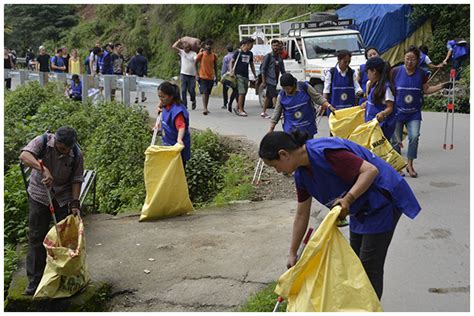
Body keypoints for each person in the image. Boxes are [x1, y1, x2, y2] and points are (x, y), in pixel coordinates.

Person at [258, 130, 421, 299]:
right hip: (360, 206)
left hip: (382, 199)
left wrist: (348, 198)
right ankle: (358, 306)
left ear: (283, 154)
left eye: (274, 166)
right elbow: (301, 214)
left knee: (368, 268)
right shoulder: (302, 174)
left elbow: (370, 171)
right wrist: (292, 252)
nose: (277, 171)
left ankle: (369, 308)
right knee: (354, 264)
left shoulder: (327, 154)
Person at [19, 126, 84, 295]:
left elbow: (77, 179)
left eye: (68, 149)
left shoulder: (76, 154)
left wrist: (75, 203)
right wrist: (43, 168)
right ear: (56, 141)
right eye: (62, 148)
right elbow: (24, 155)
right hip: (40, 195)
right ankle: (35, 279)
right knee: (36, 236)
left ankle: (61, 276)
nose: (65, 151)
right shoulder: (42, 141)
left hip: (62, 198)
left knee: (63, 239)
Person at [390, 45, 449, 178]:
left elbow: (426, 90)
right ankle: (398, 166)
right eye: (407, 58)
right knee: (395, 140)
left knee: (414, 136)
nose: (409, 62)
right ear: (404, 57)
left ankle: (410, 164)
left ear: (417, 60)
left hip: (414, 113)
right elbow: (389, 90)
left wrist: (442, 86)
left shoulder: (422, 73)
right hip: (397, 113)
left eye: (413, 59)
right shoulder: (395, 72)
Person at [269, 73, 333, 139]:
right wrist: (271, 130)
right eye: (283, 88)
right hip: (291, 130)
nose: (286, 91)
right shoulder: (281, 96)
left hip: (307, 127)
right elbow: (276, 113)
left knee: (307, 147)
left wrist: (329, 106)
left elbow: (318, 98)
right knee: (294, 147)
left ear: (293, 85)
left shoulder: (304, 87)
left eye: (287, 88)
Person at [156, 81, 191, 166]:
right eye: (159, 97)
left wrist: (179, 139)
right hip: (168, 144)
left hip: (177, 148)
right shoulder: (165, 103)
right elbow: (160, 106)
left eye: (163, 97)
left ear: (171, 96)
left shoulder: (177, 111)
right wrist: (159, 106)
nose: (161, 99)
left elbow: (181, 126)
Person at [362, 57, 396, 139]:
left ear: (374, 71)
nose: (367, 75)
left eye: (368, 72)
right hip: (371, 125)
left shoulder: (386, 87)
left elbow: (390, 107)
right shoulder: (374, 85)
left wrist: (383, 113)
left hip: (381, 127)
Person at [230, 37, 257, 117]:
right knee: (241, 92)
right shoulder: (238, 52)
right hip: (238, 75)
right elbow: (231, 62)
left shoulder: (250, 54)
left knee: (244, 92)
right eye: (251, 45)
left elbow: (251, 65)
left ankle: (239, 107)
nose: (252, 46)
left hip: (246, 75)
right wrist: (231, 71)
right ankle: (240, 110)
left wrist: (255, 74)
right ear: (246, 44)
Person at [260, 39, 286, 118]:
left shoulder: (279, 57)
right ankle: (277, 113)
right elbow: (263, 69)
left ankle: (263, 112)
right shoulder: (268, 56)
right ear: (271, 46)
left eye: (276, 45)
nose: (275, 47)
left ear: (279, 46)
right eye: (273, 46)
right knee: (274, 95)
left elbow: (282, 70)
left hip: (275, 80)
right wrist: (264, 81)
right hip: (269, 79)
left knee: (268, 96)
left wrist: (285, 79)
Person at [172, 38, 198, 110]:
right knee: (183, 90)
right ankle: (184, 105)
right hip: (183, 74)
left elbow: (196, 59)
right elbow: (173, 47)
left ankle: (193, 100)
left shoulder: (193, 53)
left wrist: (196, 74)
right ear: (183, 48)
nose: (186, 49)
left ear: (190, 47)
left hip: (192, 75)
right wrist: (178, 41)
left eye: (187, 47)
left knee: (191, 90)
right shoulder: (182, 52)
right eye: (185, 48)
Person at [195, 39, 218, 115]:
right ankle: (204, 108)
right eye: (207, 44)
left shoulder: (214, 56)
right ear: (205, 45)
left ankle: (206, 107)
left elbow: (215, 66)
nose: (209, 46)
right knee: (204, 92)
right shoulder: (201, 55)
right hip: (202, 77)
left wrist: (216, 76)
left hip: (210, 77)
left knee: (207, 93)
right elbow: (195, 63)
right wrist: (197, 74)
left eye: (210, 45)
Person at [221, 43, 237, 112]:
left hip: (228, 75)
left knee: (225, 90)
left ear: (227, 50)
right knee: (235, 89)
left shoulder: (226, 57)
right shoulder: (235, 56)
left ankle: (225, 103)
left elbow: (224, 67)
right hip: (235, 75)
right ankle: (236, 102)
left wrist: (222, 75)